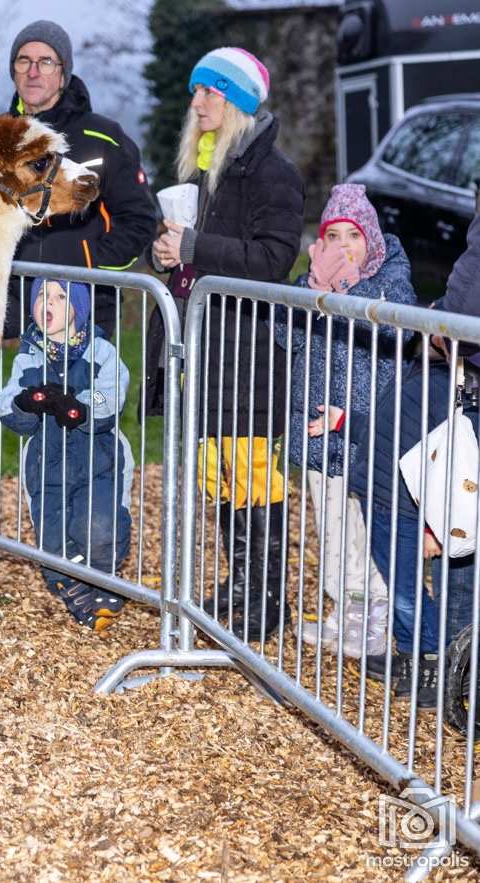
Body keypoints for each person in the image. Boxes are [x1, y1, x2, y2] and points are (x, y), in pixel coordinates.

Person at [151, 47, 304, 643]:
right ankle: (241, 579)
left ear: (236, 101)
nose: (196, 103)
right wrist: (164, 254)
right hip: (204, 349)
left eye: (209, 92)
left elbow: (273, 259)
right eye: (196, 91)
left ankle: (268, 598)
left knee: (254, 478)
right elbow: (187, 250)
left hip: (247, 353)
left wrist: (193, 248)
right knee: (218, 475)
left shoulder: (273, 173)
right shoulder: (203, 168)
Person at [315, 210, 480, 705]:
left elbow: (441, 460)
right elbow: (385, 426)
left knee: (409, 591)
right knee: (398, 582)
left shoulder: (449, 395)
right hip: (377, 487)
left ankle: (432, 661)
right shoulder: (416, 378)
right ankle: (414, 653)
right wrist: (345, 423)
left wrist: (432, 525)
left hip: (402, 500)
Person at [276, 183, 415, 659]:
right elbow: (286, 338)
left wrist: (351, 289)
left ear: (370, 238)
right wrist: (311, 293)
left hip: (365, 427)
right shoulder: (313, 278)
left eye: (352, 235)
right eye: (332, 236)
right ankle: (345, 607)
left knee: (368, 521)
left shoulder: (391, 277)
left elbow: (398, 330)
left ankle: (376, 614)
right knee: (332, 521)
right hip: (318, 423)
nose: (342, 246)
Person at [0, 279, 135, 630]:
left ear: (78, 309)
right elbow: (5, 401)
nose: (49, 302)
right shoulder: (28, 356)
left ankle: (102, 581)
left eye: (60, 297)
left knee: (98, 525)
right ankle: (76, 590)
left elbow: (109, 395)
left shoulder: (100, 352)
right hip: (47, 461)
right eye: (42, 295)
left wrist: (77, 407)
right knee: (53, 537)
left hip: (98, 458)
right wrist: (26, 402)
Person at [2, 20, 158, 340]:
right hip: (11, 308)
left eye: (46, 61)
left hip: (83, 306)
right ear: (13, 71)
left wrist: (90, 266)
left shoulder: (103, 137)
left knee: (81, 378)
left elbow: (139, 218)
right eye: (23, 61)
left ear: (64, 74)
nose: (33, 72)